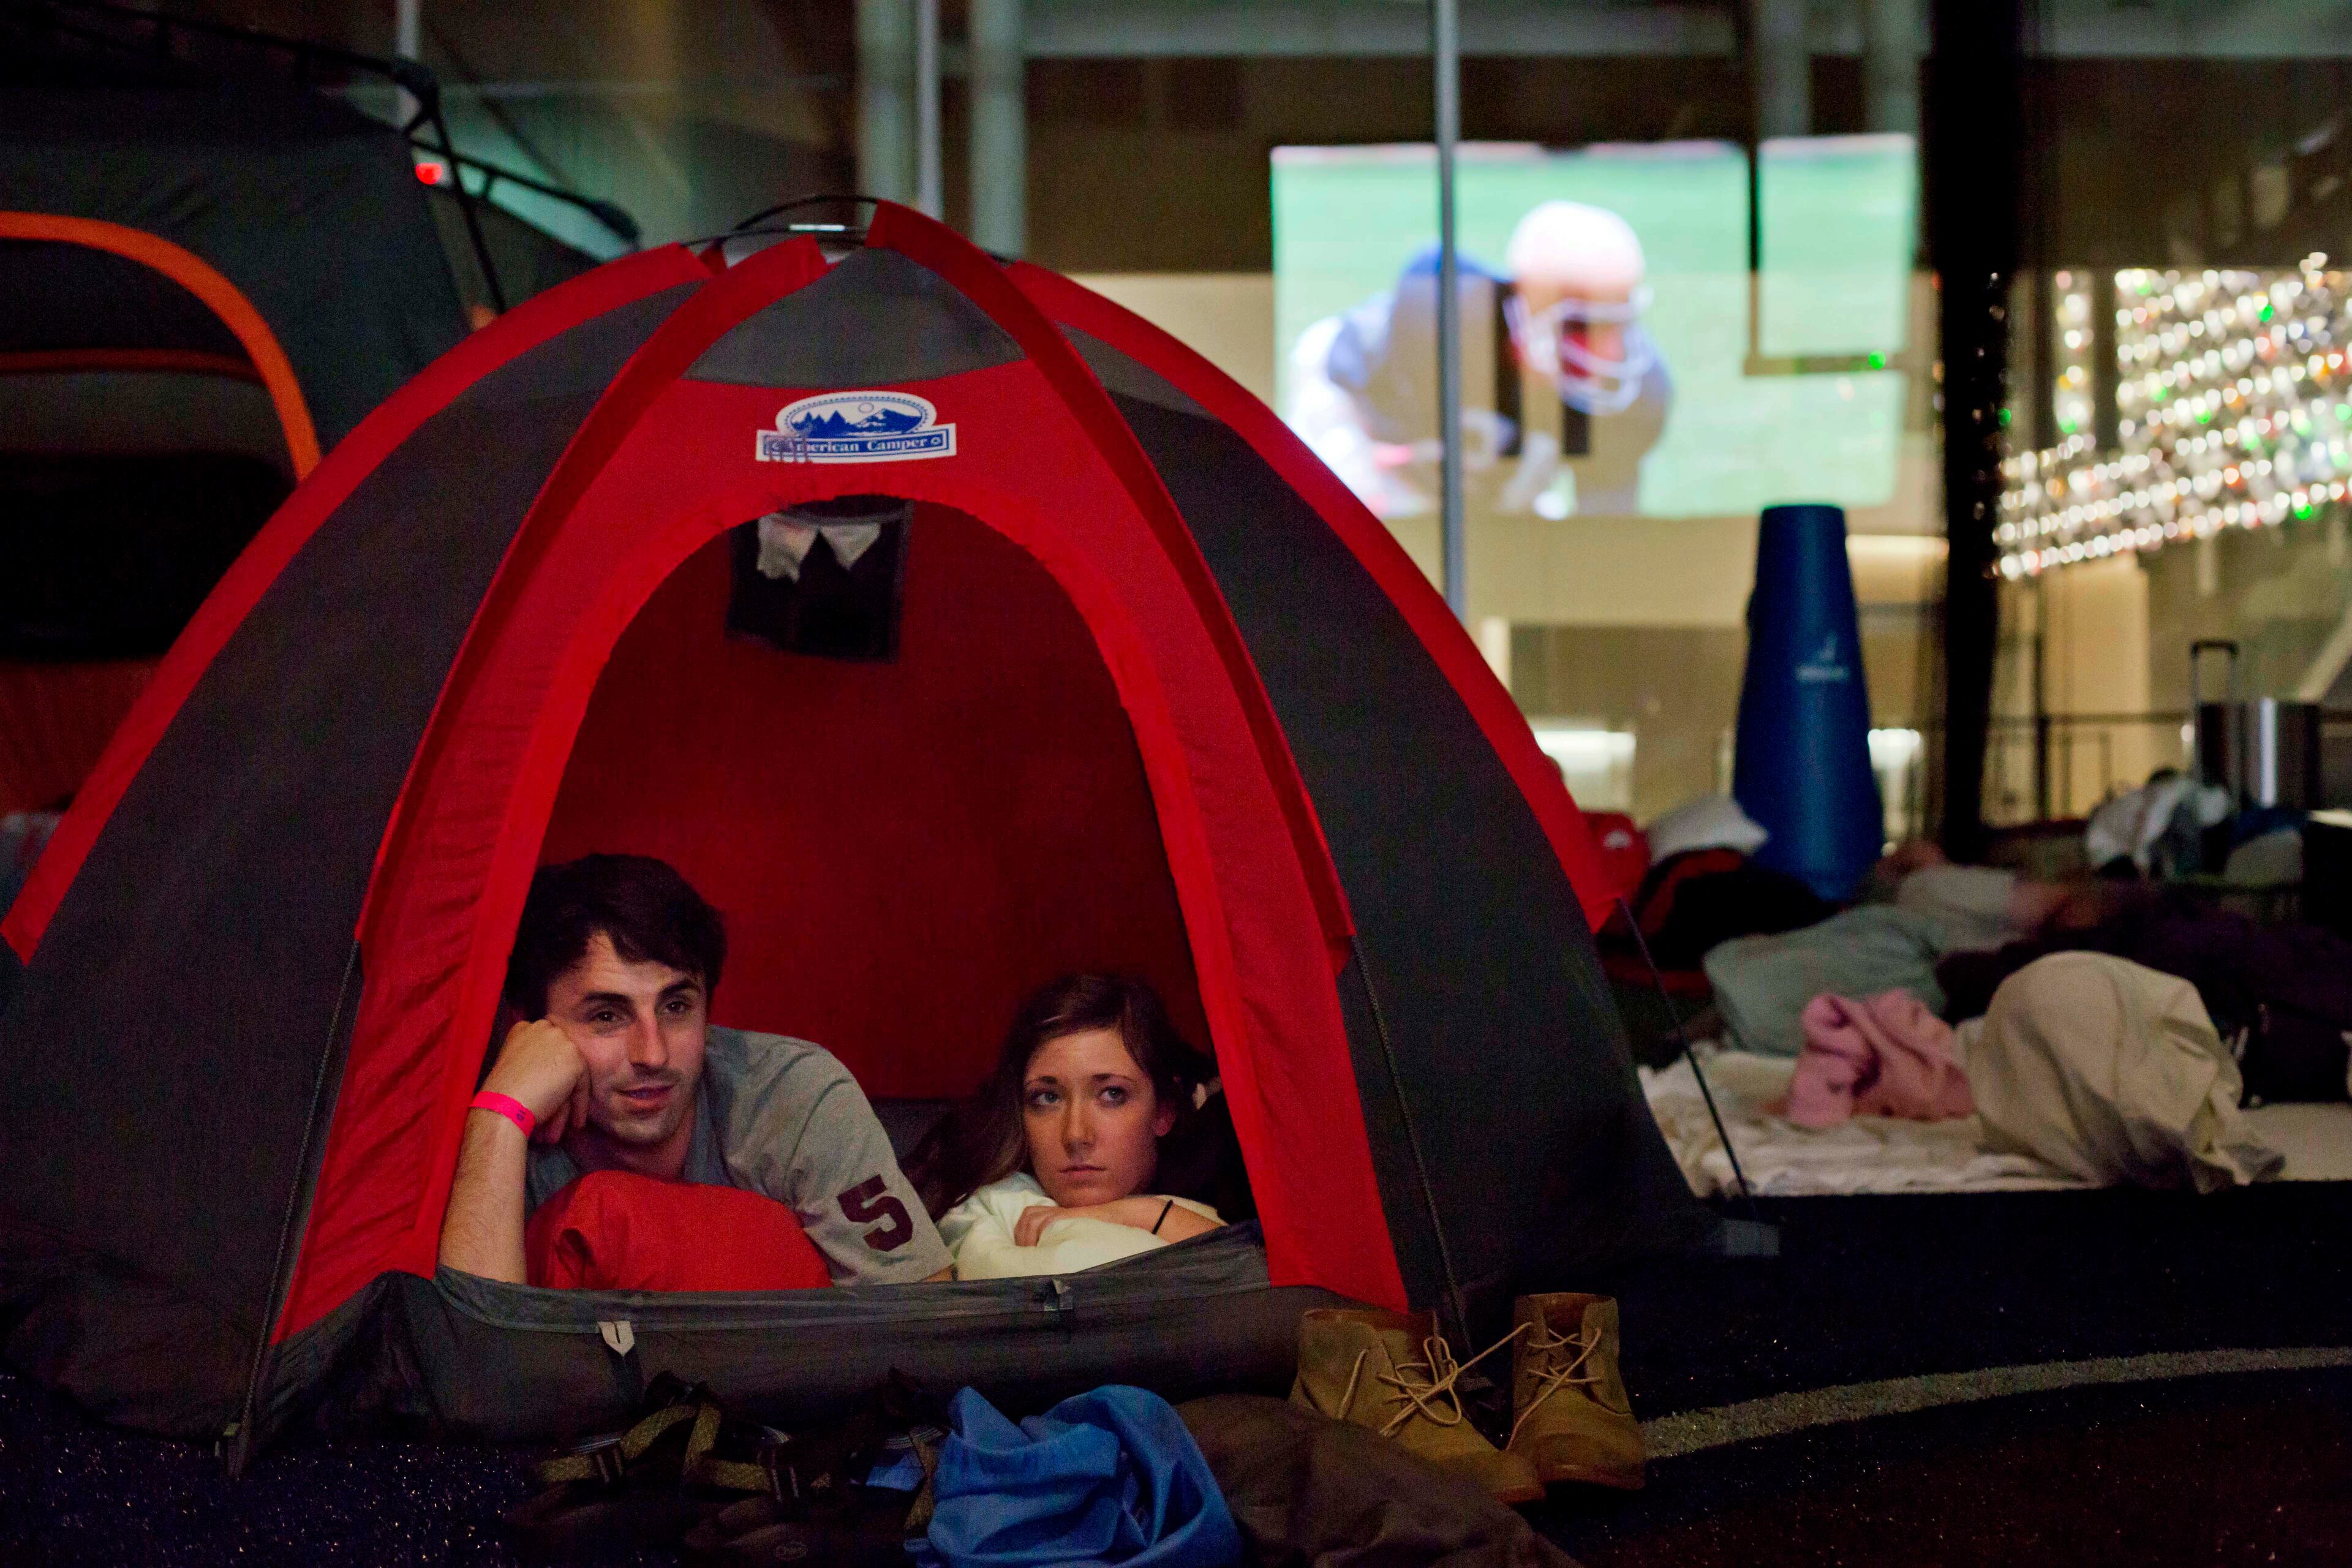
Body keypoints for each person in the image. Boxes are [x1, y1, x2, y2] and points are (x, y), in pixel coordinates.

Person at [438, 853, 951, 1286]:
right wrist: (499, 1117)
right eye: (607, 1016)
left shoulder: (793, 1097)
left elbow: (925, 1316)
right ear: (530, 1030)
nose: (653, 1054)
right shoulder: (498, 1140)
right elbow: (473, 1371)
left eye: (676, 1007)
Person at [1284, 198, 1672, 522]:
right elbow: (1387, 443)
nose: (1611, 353)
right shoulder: (1437, 322)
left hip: (1477, 455)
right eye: (1585, 326)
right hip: (1367, 411)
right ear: (1524, 314)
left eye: (1619, 324)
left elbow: (1605, 536)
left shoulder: (1640, 395)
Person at [907, 974, 1225, 1280]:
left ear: (1164, 1112)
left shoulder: (1224, 1193)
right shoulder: (990, 1215)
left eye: (1113, 1095)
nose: (1076, 1135)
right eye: (1047, 1098)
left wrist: (1139, 1213)